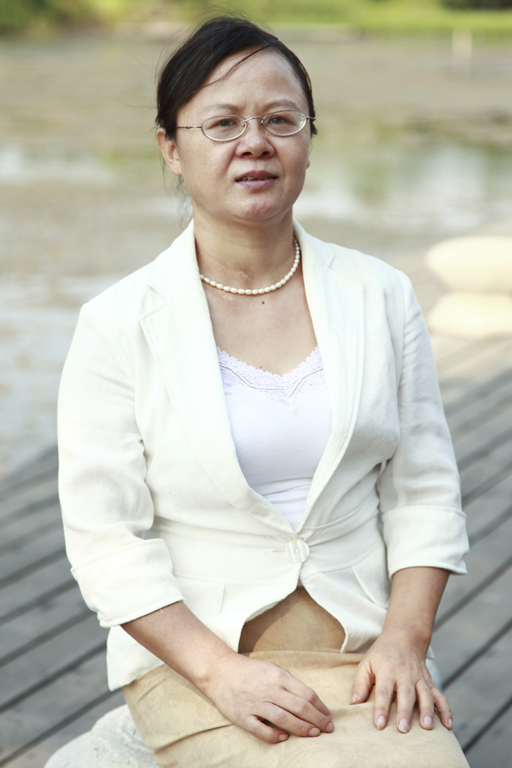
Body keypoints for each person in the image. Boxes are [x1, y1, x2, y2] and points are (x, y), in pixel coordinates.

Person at [58, 16, 470, 768]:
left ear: (310, 138)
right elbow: (106, 540)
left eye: (281, 120)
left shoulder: (380, 294)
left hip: (365, 650)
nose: (255, 143)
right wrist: (220, 674)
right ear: (170, 148)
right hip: (200, 661)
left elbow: (424, 490)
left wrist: (407, 641)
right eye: (222, 124)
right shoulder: (118, 323)